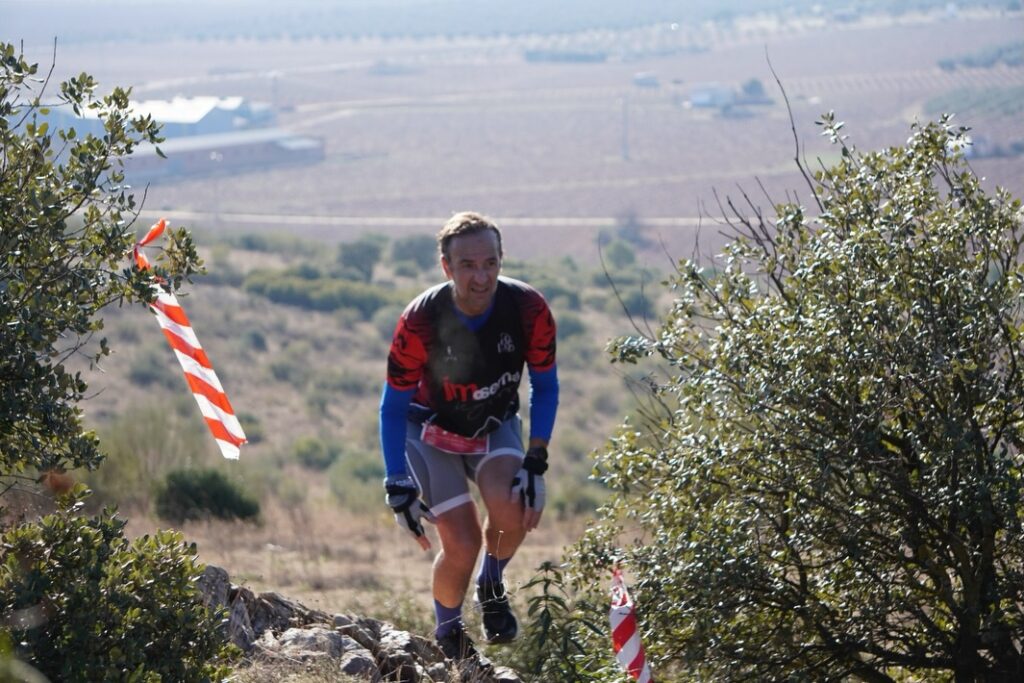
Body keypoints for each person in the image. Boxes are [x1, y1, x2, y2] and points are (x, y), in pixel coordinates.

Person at [379, 211, 559, 664]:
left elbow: (546, 383)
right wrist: (397, 482)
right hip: (428, 429)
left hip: (490, 425)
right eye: (467, 265)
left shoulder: (527, 307)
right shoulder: (421, 319)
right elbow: (392, 405)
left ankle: (491, 584)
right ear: (446, 267)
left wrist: (536, 458)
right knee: (460, 542)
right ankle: (450, 635)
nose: (481, 277)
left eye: (490, 263)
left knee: (515, 507)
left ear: (502, 260)